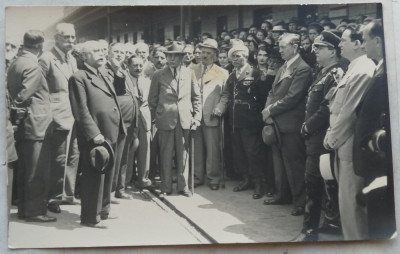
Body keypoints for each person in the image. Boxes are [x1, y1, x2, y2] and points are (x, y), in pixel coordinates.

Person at [323, 27, 376, 240]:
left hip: (348, 142)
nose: (339, 45)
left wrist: (331, 137)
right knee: (344, 200)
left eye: (343, 40)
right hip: (341, 141)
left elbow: (349, 113)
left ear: (356, 43)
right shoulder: (353, 68)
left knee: (351, 201)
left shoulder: (363, 69)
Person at [292, 31, 345, 241]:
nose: (314, 51)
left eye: (319, 48)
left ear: (332, 51)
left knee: (314, 183)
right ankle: (330, 223)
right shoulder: (323, 72)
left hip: (321, 136)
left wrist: (307, 126)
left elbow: (326, 108)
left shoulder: (336, 73)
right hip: (315, 137)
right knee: (321, 182)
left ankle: (310, 231)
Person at [69, 40, 126, 228]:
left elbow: (119, 92)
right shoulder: (79, 77)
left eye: (103, 50)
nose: (101, 53)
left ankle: (104, 210)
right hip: (97, 133)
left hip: (112, 129)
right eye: (96, 51)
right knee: (94, 175)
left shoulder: (102, 72)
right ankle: (90, 217)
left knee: (108, 173)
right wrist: (94, 133)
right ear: (85, 56)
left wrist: (118, 73)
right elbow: (81, 110)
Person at [353, 20, 395, 239]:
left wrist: (378, 139)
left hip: (380, 161)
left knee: (380, 226)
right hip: (373, 159)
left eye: (366, 40)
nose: (362, 45)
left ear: (378, 41)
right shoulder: (380, 69)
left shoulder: (388, 73)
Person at [7, 30, 55, 222]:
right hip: (37, 123)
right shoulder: (33, 65)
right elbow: (24, 96)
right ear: (40, 46)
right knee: (37, 170)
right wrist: (16, 111)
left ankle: (25, 209)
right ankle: (34, 212)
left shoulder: (15, 63)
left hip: (27, 124)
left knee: (26, 169)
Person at [262, 33, 312, 216]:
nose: (280, 50)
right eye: (279, 46)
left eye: (283, 47)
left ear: (295, 46)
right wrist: (267, 110)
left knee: (295, 163)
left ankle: (300, 201)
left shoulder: (303, 69)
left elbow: (293, 97)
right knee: (280, 163)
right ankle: (282, 194)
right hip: (276, 122)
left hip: (291, 123)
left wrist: (270, 110)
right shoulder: (285, 66)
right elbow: (272, 91)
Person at [148, 41, 202, 198]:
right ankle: (165, 188)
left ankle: (183, 186)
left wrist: (196, 117)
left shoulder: (188, 72)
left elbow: (196, 97)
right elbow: (152, 99)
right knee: (165, 154)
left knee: (183, 154)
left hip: (185, 119)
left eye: (175, 56)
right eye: (169, 56)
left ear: (182, 58)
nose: (171, 59)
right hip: (165, 119)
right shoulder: (158, 75)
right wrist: (157, 116)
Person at [214, 43, 267, 199]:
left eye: (238, 56)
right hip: (235, 118)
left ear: (246, 56)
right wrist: (220, 108)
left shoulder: (255, 73)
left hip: (251, 119)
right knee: (239, 151)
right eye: (233, 57)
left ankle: (258, 182)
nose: (235, 59)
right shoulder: (232, 75)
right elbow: (227, 95)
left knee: (252, 151)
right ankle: (246, 179)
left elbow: (263, 97)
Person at [39, 23, 80, 214]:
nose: (70, 41)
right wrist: (50, 113)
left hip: (73, 115)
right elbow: (40, 89)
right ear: (56, 38)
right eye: (66, 37)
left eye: (73, 37)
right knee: (58, 159)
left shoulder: (72, 59)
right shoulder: (47, 58)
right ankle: (52, 198)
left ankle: (67, 194)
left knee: (72, 156)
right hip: (57, 117)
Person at [191, 39, 229, 190]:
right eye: (202, 52)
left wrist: (220, 107)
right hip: (195, 115)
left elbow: (225, 95)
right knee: (196, 148)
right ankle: (197, 177)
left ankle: (213, 178)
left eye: (208, 53)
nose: (204, 56)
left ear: (215, 56)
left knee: (213, 149)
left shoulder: (222, 73)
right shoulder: (191, 69)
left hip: (212, 114)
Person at [103, 42, 137, 200]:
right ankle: (108, 192)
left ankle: (119, 188)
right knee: (114, 157)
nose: (119, 55)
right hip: (116, 121)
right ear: (108, 53)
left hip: (129, 122)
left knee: (124, 157)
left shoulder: (123, 70)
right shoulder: (104, 71)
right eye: (116, 51)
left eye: (122, 53)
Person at [126, 55, 152, 188]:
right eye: (135, 65)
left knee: (145, 149)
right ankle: (125, 181)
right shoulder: (123, 80)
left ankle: (143, 179)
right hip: (130, 120)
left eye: (140, 65)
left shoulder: (147, 81)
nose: (138, 68)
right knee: (130, 150)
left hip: (144, 119)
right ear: (128, 66)